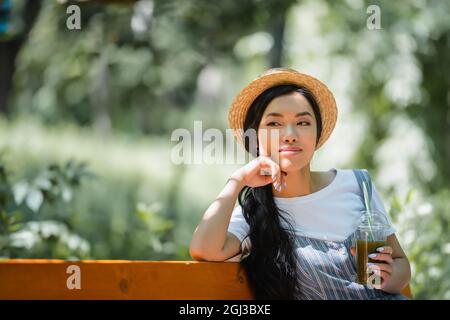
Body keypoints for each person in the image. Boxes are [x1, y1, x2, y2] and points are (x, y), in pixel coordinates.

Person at [190, 68, 411, 300]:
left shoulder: (357, 184)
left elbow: (401, 265)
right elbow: (204, 249)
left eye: (303, 122)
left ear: (317, 134)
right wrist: (238, 180)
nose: (290, 134)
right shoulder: (254, 214)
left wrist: (387, 274)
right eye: (274, 124)